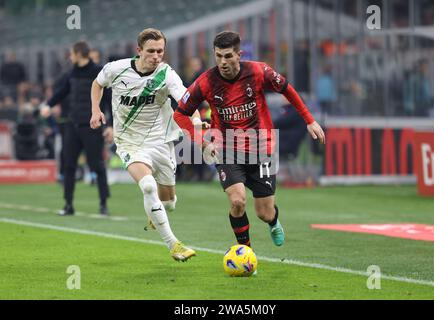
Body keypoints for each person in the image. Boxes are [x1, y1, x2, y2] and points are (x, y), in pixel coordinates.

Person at [174, 31, 325, 248]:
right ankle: (246, 252)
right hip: (226, 149)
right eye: (218, 56)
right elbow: (179, 114)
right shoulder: (206, 81)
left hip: (262, 148)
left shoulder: (258, 71)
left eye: (228, 56)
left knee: (264, 212)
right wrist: (202, 141)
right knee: (237, 201)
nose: (223, 62)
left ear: (239, 54)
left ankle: (273, 221)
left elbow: (287, 89)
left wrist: (309, 120)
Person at [90, 28, 203, 262]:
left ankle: (156, 212)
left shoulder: (166, 74)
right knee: (148, 187)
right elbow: (97, 83)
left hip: (161, 142)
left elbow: (185, 99)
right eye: (151, 51)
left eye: (160, 51)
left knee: (169, 203)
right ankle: (174, 244)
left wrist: (197, 121)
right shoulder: (116, 69)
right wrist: (96, 109)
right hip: (129, 143)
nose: (156, 56)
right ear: (139, 50)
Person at [41, 41, 112, 216]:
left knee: (96, 165)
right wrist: (48, 105)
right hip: (73, 125)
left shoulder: (98, 72)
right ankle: (68, 205)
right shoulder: (71, 73)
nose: (70, 57)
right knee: (69, 165)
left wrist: (110, 125)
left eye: (72, 54)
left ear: (79, 54)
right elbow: (62, 92)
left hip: (92, 126)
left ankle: (103, 204)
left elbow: (110, 99)